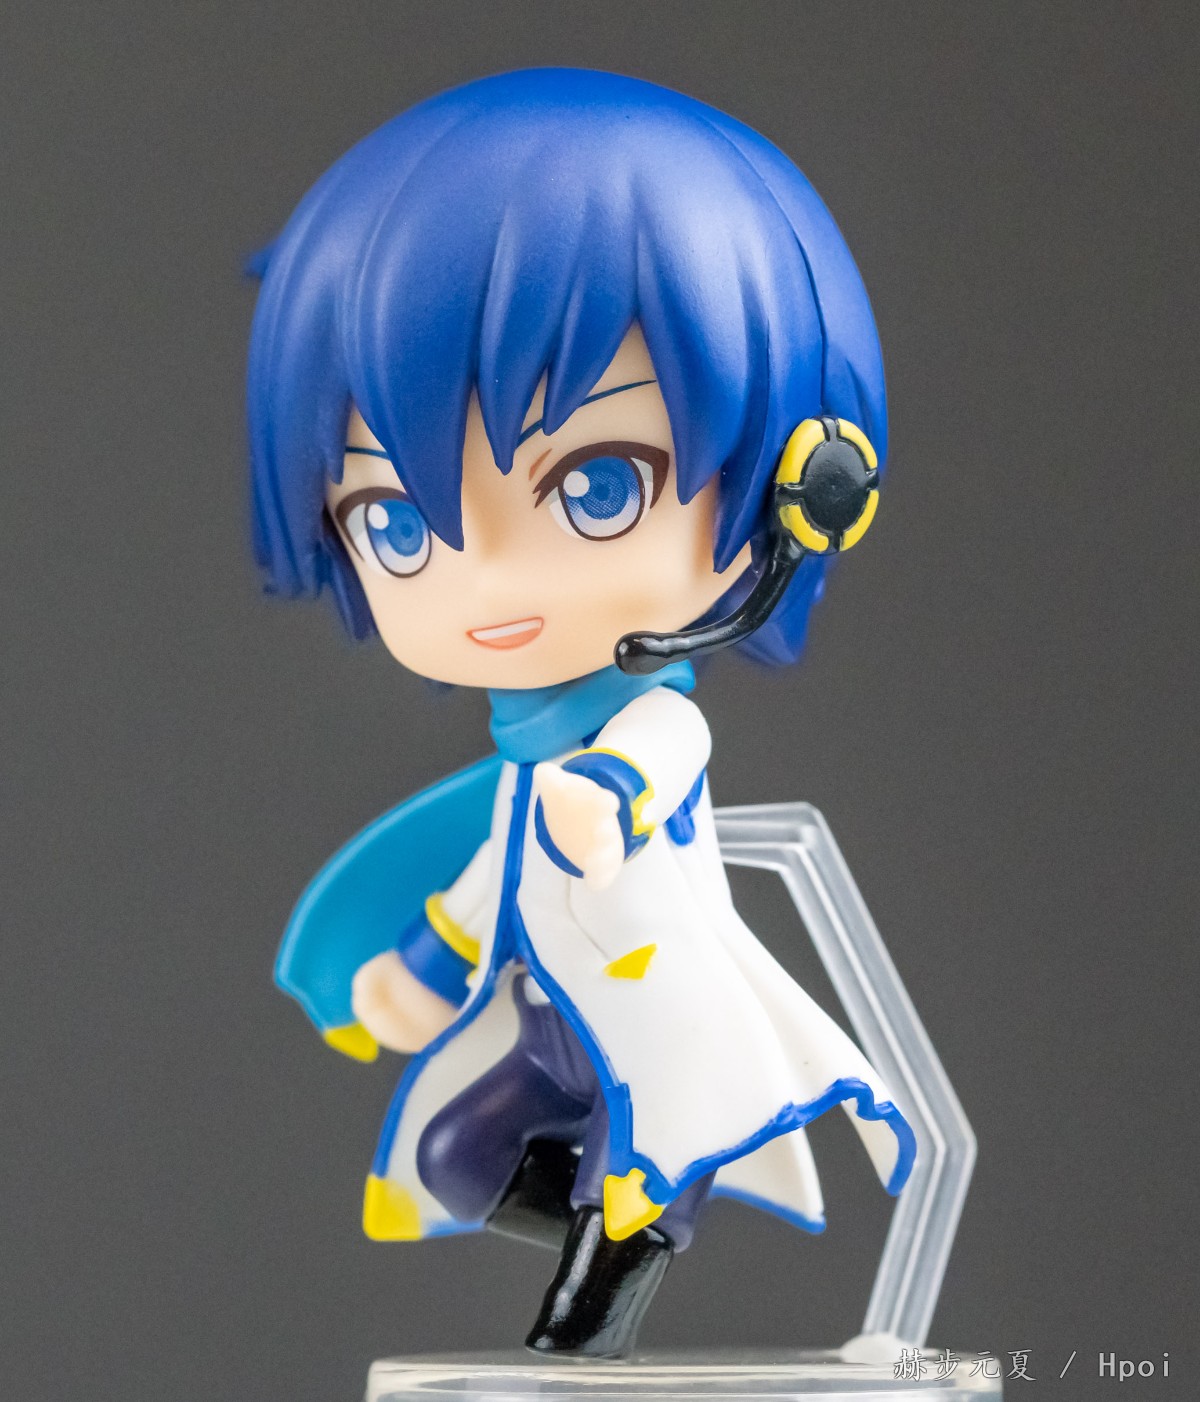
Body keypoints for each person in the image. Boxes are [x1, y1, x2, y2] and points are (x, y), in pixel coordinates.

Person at [249, 67, 915, 1359]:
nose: (487, 583)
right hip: (554, 1026)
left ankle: (611, 1280)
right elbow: (491, 874)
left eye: (598, 488)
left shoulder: (646, 732)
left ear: (809, 493)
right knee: (449, 1159)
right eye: (395, 522)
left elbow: (651, 764)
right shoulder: (520, 763)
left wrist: (606, 807)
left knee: (622, 1215)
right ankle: (637, 1225)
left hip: (653, 1013)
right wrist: (423, 969)